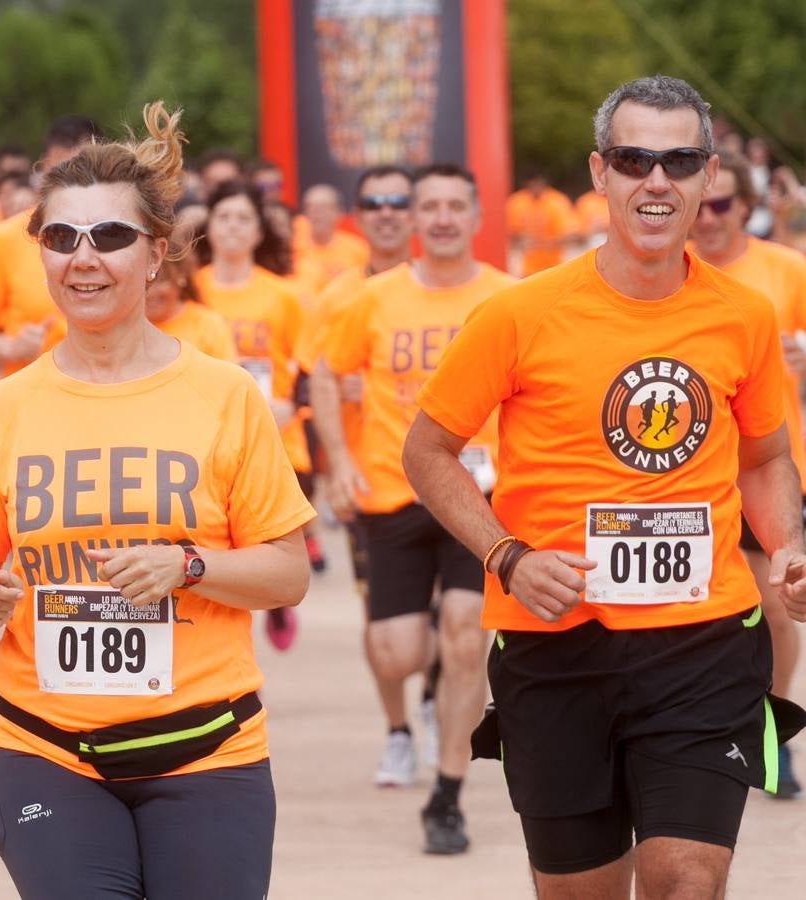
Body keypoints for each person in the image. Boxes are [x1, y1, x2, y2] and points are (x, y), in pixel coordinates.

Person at [403, 76, 806, 897]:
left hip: (704, 643)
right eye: (634, 160)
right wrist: (507, 555)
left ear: (708, 177)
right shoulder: (519, 315)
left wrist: (791, 550)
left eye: (679, 161)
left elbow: (767, 457)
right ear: (600, 175)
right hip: (554, 643)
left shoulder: (743, 315)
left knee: (685, 880)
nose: (656, 181)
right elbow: (427, 452)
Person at [0, 103, 314, 900]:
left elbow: (286, 574)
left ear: (157, 256)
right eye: (60, 238)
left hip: (207, 751)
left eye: (110, 237)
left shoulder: (223, 395)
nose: (85, 258)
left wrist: (188, 565)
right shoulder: (4, 408)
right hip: (46, 747)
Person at [320, 162, 515, 854]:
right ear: (412, 219)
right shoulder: (374, 300)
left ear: (475, 216)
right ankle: (426, 694)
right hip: (391, 487)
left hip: (479, 491)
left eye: (452, 206)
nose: (439, 217)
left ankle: (447, 794)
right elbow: (325, 367)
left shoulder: (509, 297)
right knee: (397, 651)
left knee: (467, 634)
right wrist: (337, 462)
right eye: (426, 206)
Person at [690, 149, 806, 798]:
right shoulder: (663, 273)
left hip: (766, 473)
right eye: (699, 204)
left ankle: (773, 732)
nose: (707, 218)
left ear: (747, 207)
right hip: (682, 483)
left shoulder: (784, 270)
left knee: (774, 614)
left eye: (722, 204)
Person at [306, 165, 441, 785]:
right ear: (360, 216)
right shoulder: (338, 297)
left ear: (414, 214)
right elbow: (310, 379)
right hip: (374, 482)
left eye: (398, 202)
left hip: (452, 478)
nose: (387, 212)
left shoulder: (450, 288)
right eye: (374, 204)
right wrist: (336, 466)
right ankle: (397, 731)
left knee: (453, 613)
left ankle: (440, 701)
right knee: (385, 627)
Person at [196, 180, 317, 647]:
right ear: (208, 224)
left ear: (258, 231)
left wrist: (293, 405)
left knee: (270, 543)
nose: (232, 226)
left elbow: (308, 366)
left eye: (243, 218)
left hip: (277, 436)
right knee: (221, 551)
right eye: (223, 216)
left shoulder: (282, 296)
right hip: (208, 439)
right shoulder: (194, 289)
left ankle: (278, 601)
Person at [0, 116, 102, 378]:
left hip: (108, 389)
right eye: (62, 168)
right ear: (44, 167)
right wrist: (10, 348)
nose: (72, 180)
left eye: (83, 168)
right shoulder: (9, 236)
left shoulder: (121, 235)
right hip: (31, 393)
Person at [145, 257, 237, 361]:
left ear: (180, 276)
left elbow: (227, 374)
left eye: (161, 280)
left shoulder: (207, 324)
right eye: (143, 281)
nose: (150, 293)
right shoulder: (128, 327)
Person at [505, 171, 578, 276]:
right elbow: (510, 233)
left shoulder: (557, 201)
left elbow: (571, 235)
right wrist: (520, 240)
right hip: (526, 269)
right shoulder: (517, 202)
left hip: (553, 267)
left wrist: (540, 242)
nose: (535, 187)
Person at [294, 184, 368, 287]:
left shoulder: (358, 249)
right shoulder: (292, 247)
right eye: (311, 207)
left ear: (339, 213)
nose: (317, 214)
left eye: (323, 208)